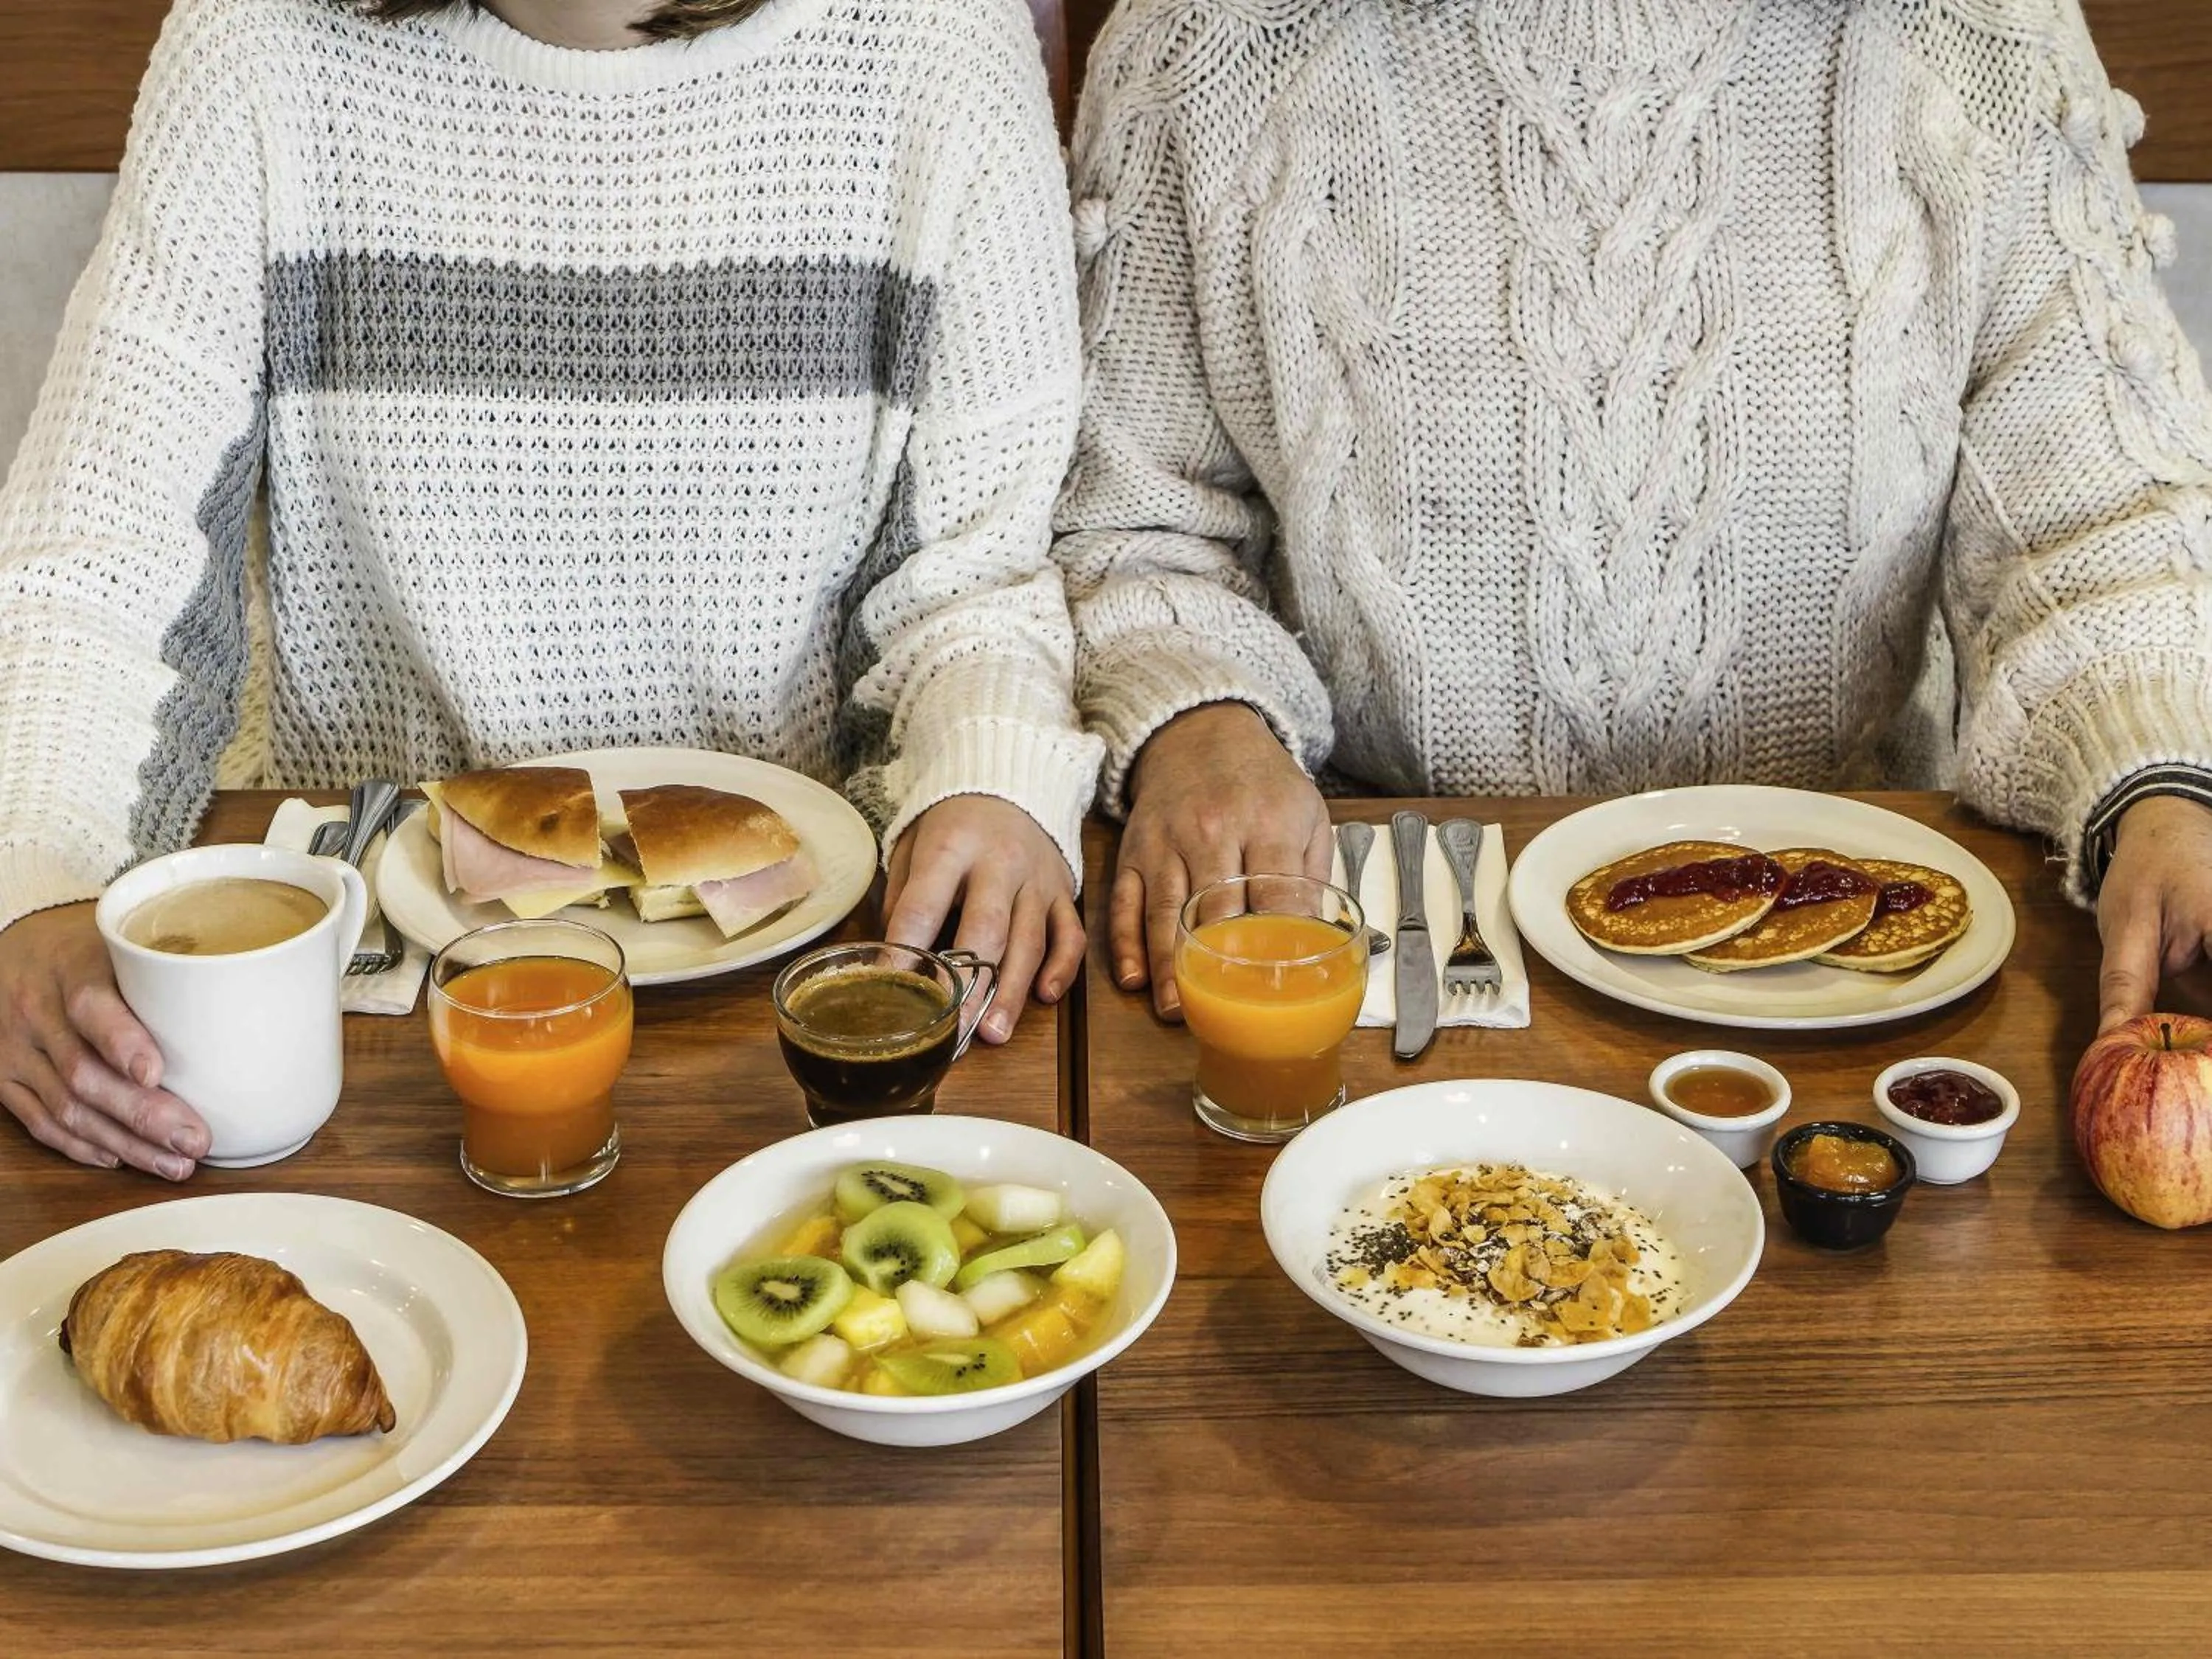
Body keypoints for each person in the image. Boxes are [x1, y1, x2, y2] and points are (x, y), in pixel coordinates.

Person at [0, 0, 1102, 1179]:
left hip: (812, 997)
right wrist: (33, 878)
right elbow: (101, 560)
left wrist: (991, 777)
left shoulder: (945, 44)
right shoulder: (249, 42)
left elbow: (971, 585)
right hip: (382, 1014)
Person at [1059, 0, 2212, 1027]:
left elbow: (2100, 521)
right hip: (1400, 919)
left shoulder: (1985, 38)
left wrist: (2154, 782)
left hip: (1859, 937)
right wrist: (1203, 721)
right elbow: (1137, 529)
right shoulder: (1208, 48)